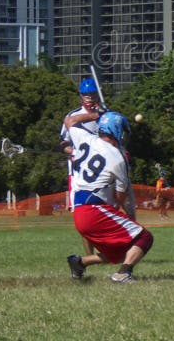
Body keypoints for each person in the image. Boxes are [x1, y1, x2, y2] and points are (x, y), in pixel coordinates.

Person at [65, 111, 154, 283]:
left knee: (123, 251)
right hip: (95, 211)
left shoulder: (86, 138)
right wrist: (130, 218)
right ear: (117, 132)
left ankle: (79, 263)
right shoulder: (117, 157)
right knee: (144, 238)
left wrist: (93, 115)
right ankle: (123, 274)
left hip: (79, 211)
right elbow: (121, 197)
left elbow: (69, 120)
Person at [59, 78, 104, 256]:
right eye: (86, 95)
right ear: (80, 96)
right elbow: (63, 143)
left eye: (92, 95)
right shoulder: (73, 116)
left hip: (102, 172)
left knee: (104, 213)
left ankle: (106, 251)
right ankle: (90, 256)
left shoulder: (105, 115)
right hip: (78, 174)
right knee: (83, 217)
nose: (90, 99)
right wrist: (73, 152)